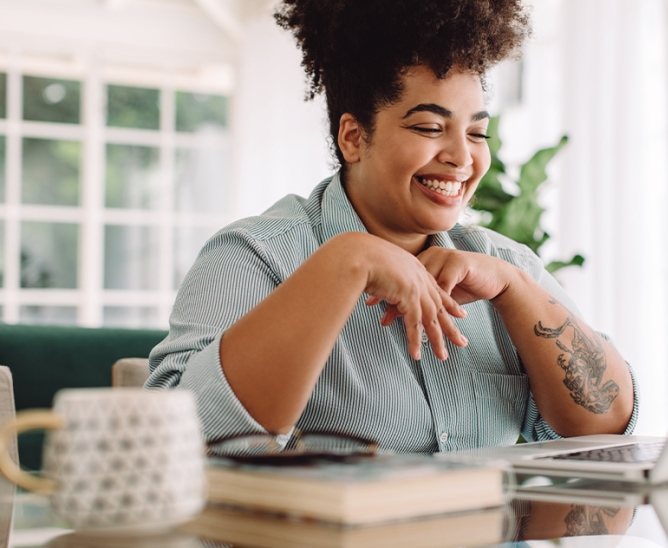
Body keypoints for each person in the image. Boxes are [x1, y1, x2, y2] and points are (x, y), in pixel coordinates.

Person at [147, 0, 639, 452]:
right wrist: (346, 262)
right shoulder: (254, 255)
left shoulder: (504, 265)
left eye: (477, 132)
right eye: (429, 127)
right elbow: (178, 440)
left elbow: (607, 427)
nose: (462, 157)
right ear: (354, 137)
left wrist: (514, 290)